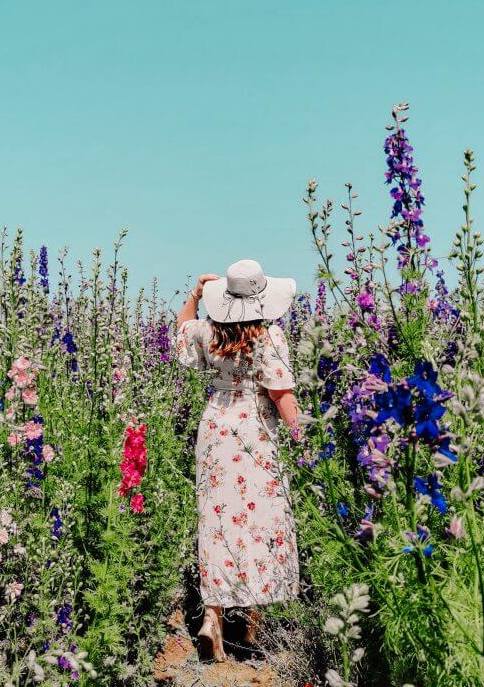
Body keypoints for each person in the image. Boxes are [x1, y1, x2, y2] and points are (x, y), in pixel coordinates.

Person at [175, 259, 304, 663]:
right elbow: (282, 396)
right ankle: (251, 624)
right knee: (260, 519)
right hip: (255, 432)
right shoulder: (271, 338)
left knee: (216, 520)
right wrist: (303, 439)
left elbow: (181, 331)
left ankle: (212, 618)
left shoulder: (209, 333)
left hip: (215, 430)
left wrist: (196, 294)